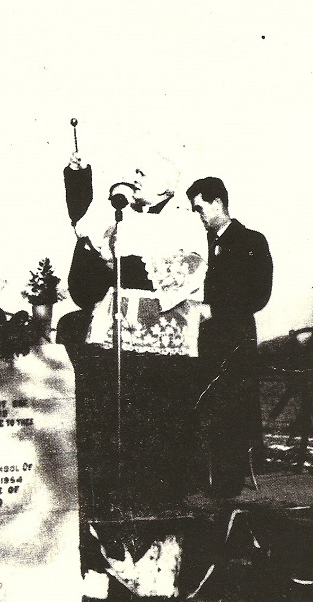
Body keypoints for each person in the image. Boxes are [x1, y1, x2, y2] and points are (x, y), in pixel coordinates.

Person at [58, 149, 210, 591]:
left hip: (161, 355)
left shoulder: (185, 223)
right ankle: (109, 552)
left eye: (144, 174)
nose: (135, 178)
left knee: (153, 448)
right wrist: (80, 182)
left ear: (167, 185)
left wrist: (122, 262)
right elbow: (86, 236)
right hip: (113, 347)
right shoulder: (126, 218)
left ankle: (155, 561)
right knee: (109, 439)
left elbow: (175, 275)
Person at [186, 176, 273, 498]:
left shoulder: (252, 241)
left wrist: (215, 309)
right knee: (202, 409)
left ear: (217, 203)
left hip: (235, 341)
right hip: (203, 342)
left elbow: (259, 295)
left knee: (232, 413)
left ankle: (227, 486)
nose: (198, 216)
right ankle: (202, 479)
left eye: (200, 208)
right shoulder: (201, 246)